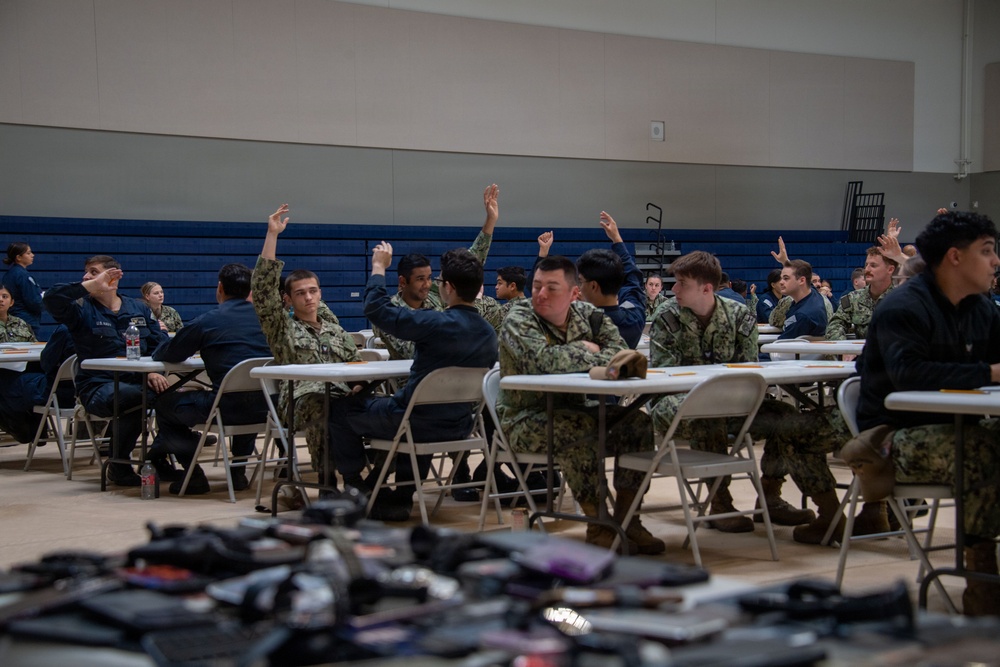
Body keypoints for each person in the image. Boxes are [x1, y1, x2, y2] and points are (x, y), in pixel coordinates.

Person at [855, 210, 1000, 616]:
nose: (996, 261)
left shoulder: (980, 308)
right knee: (984, 451)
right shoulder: (903, 306)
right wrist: (987, 372)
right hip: (892, 438)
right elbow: (909, 374)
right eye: (986, 251)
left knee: (984, 442)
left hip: (959, 427)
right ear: (955, 257)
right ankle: (983, 587)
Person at [496, 255, 664, 554]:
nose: (541, 294)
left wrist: (575, 354)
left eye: (552, 287)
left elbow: (620, 353)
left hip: (579, 411)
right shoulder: (519, 317)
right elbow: (542, 361)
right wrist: (585, 349)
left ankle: (628, 520)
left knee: (636, 422)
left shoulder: (590, 315)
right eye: (536, 286)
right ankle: (598, 524)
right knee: (576, 428)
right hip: (524, 419)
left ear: (574, 294)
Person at [328, 242, 499, 522]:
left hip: (415, 422)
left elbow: (376, 308)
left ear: (450, 287)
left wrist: (379, 268)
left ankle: (356, 485)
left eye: (440, 280)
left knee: (340, 411)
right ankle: (402, 495)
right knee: (419, 412)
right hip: (460, 426)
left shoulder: (435, 322)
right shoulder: (489, 333)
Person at [647, 251, 817, 532]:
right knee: (707, 413)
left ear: (706, 288)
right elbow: (666, 377)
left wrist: (728, 396)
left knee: (786, 416)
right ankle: (720, 501)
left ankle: (771, 497)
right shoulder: (667, 317)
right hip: (675, 403)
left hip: (732, 403)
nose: (673, 289)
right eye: (674, 283)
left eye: (681, 284)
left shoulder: (739, 316)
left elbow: (747, 371)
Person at [252, 205, 363, 487]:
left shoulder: (335, 329)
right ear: (287, 299)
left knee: (373, 404)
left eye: (313, 291)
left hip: (340, 394)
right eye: (300, 293)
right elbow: (263, 290)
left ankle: (375, 475)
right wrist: (272, 235)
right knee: (321, 404)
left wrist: (362, 383)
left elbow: (358, 364)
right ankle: (330, 482)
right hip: (299, 401)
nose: (308, 298)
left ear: (321, 294)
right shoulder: (281, 328)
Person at [43, 255, 170, 486]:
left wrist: (153, 371)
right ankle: (119, 465)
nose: (86, 277)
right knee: (137, 398)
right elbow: (52, 299)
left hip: (137, 382)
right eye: (87, 273)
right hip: (97, 386)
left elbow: (159, 344)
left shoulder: (137, 308)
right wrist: (90, 285)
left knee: (172, 398)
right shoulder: (81, 309)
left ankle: (159, 458)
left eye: (93, 272)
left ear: (113, 277)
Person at [149, 264, 273, 495]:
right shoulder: (270, 322)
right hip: (269, 409)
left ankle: (193, 475)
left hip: (225, 409)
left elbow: (168, 354)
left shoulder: (207, 321)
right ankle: (238, 473)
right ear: (251, 291)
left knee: (164, 405)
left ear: (220, 289)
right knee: (248, 392)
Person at [570, 212, 645, 349]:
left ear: (593, 286)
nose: (578, 287)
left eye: (580, 281)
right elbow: (633, 282)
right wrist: (617, 239)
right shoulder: (634, 318)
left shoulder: (578, 325)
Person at [0, 325, 75, 444]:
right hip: (84, 394)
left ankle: (22, 429)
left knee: (4, 381)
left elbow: (46, 362)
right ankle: (37, 430)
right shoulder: (108, 327)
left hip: (56, 394)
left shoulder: (66, 330)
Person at [825, 247, 896, 341]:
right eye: (866, 265)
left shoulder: (902, 298)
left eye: (873, 265)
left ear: (890, 270)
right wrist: (844, 351)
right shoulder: (853, 298)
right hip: (862, 353)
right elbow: (834, 326)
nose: (867, 269)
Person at [3, 243, 44, 336]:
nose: (32, 255)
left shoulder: (8, 275)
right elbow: (34, 302)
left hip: (12, 320)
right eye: (28, 253)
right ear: (19, 257)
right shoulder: (23, 276)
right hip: (26, 321)